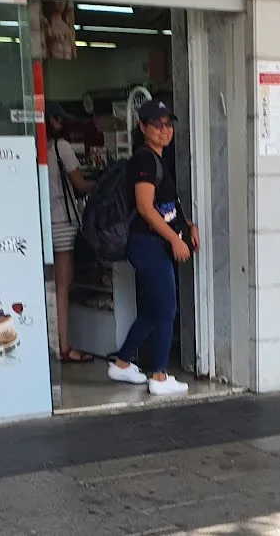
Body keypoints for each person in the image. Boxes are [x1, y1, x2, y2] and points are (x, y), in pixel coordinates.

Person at [108, 100, 197, 396]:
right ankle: (159, 375)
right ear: (143, 127)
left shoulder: (157, 159)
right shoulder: (145, 160)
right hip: (147, 243)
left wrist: (187, 226)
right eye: (157, 125)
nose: (164, 130)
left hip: (152, 242)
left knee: (153, 309)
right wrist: (175, 239)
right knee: (167, 308)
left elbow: (166, 205)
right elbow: (146, 208)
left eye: (168, 124)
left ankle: (122, 363)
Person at [46, 101, 94, 363]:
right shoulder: (60, 147)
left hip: (42, 223)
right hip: (62, 222)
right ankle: (64, 347)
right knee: (62, 287)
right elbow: (80, 185)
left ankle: (51, 344)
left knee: (49, 287)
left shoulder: (34, 148)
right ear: (52, 121)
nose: (62, 123)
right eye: (59, 119)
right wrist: (103, 182)